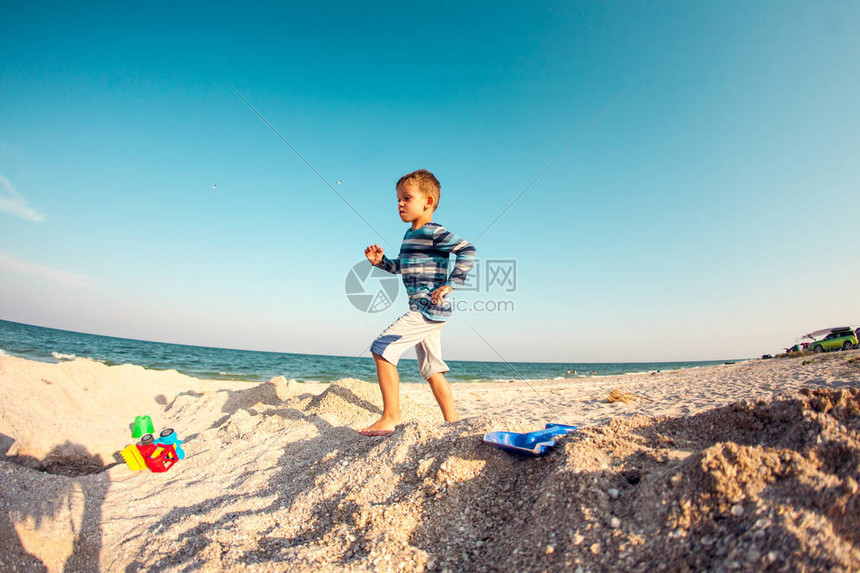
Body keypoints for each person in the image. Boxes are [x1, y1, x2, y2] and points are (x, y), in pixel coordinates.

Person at [359, 169, 476, 436]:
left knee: (382, 348)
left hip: (428, 308)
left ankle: (391, 416)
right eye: (398, 199)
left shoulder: (433, 232)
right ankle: (453, 421)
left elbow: (468, 249)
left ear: (428, 201)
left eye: (406, 198)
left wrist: (452, 283)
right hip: (426, 310)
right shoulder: (409, 236)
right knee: (432, 368)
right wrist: (382, 263)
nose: (400, 204)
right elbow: (403, 267)